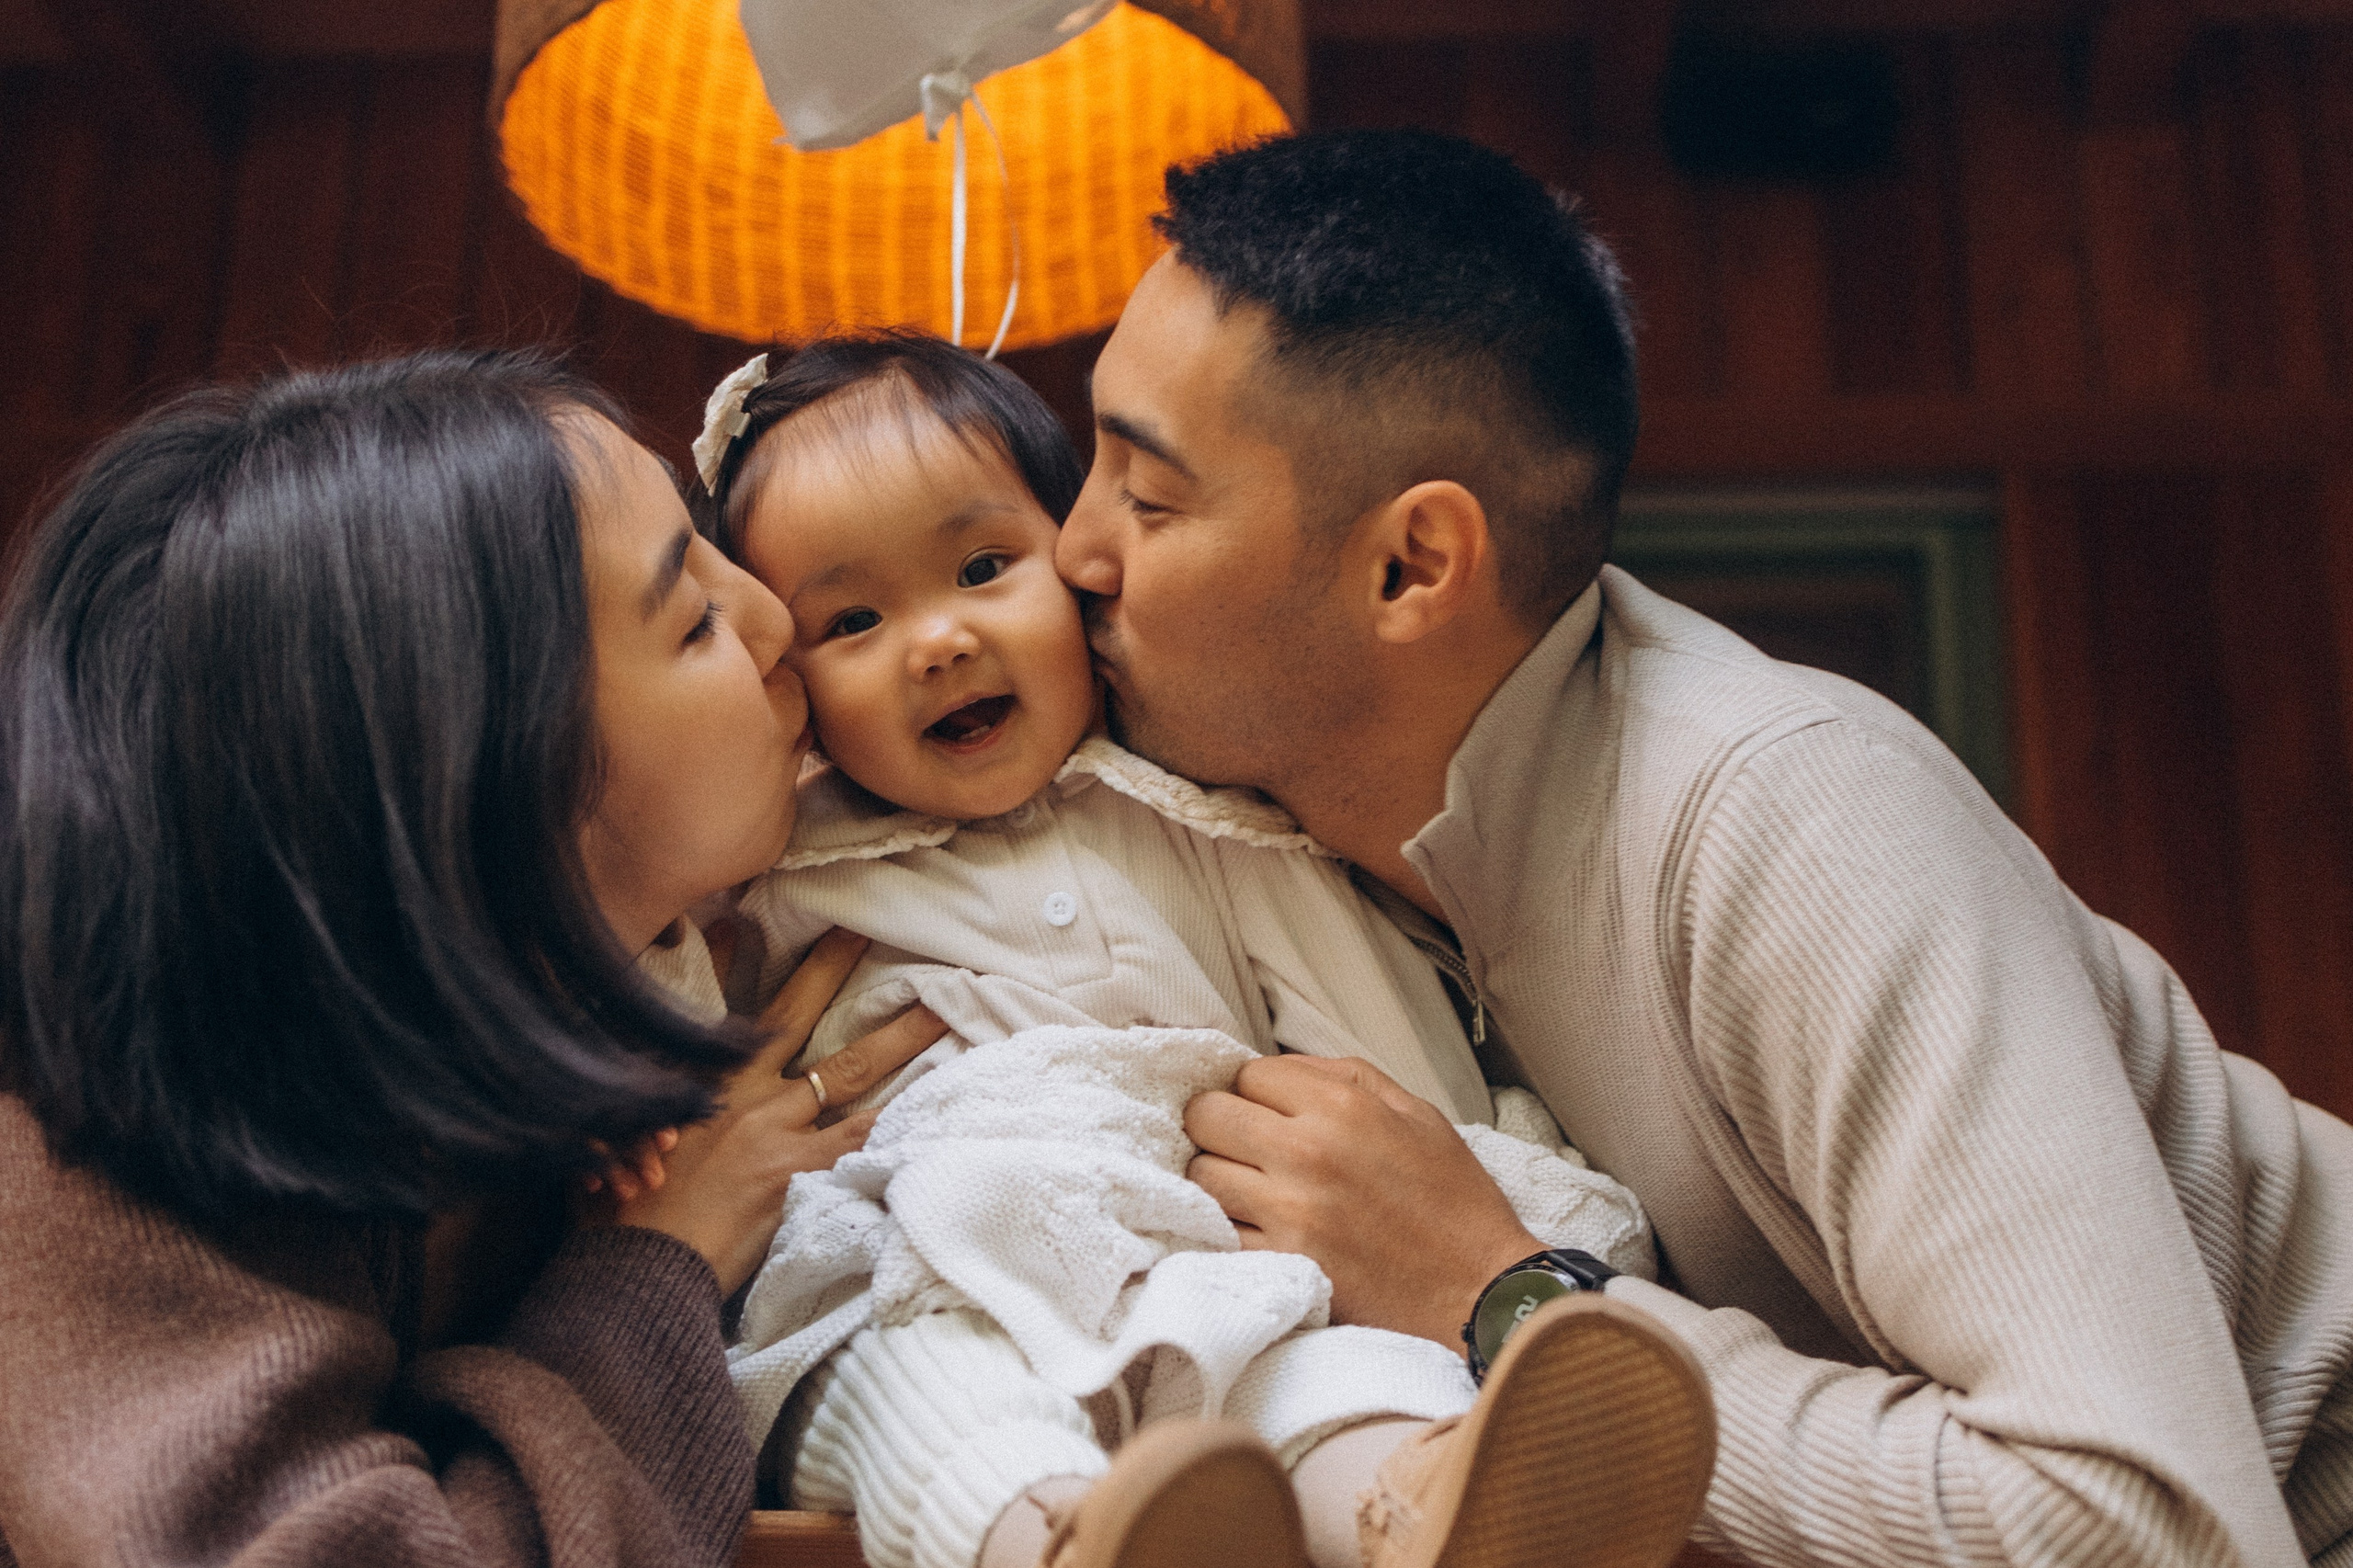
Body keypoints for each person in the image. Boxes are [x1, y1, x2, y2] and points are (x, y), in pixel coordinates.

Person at [1053, 127, 2353, 1568]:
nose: (1073, 554)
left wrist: (1507, 1298)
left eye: (1147, 496)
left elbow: (2157, 1530)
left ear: (1410, 567)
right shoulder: (1273, 839)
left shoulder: (1791, 817)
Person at [684, 330, 1710, 1568]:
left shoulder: (1202, 821)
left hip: (1203, 1260)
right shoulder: (782, 867)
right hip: (929, 1263)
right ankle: (1060, 1541)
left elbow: (1375, 1062)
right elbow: (661, 1027)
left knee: (1325, 1367)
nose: (938, 640)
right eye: (852, 618)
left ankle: (1423, 1514)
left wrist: (1461, 1182)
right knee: (926, 1385)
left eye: (982, 564)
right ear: (791, 681)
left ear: (1077, 568)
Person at [0, 349, 951, 1567]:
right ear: (488, 783)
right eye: (697, 614)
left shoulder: (616, 996)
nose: (773, 618)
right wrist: (654, 1262)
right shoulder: (97, 1164)